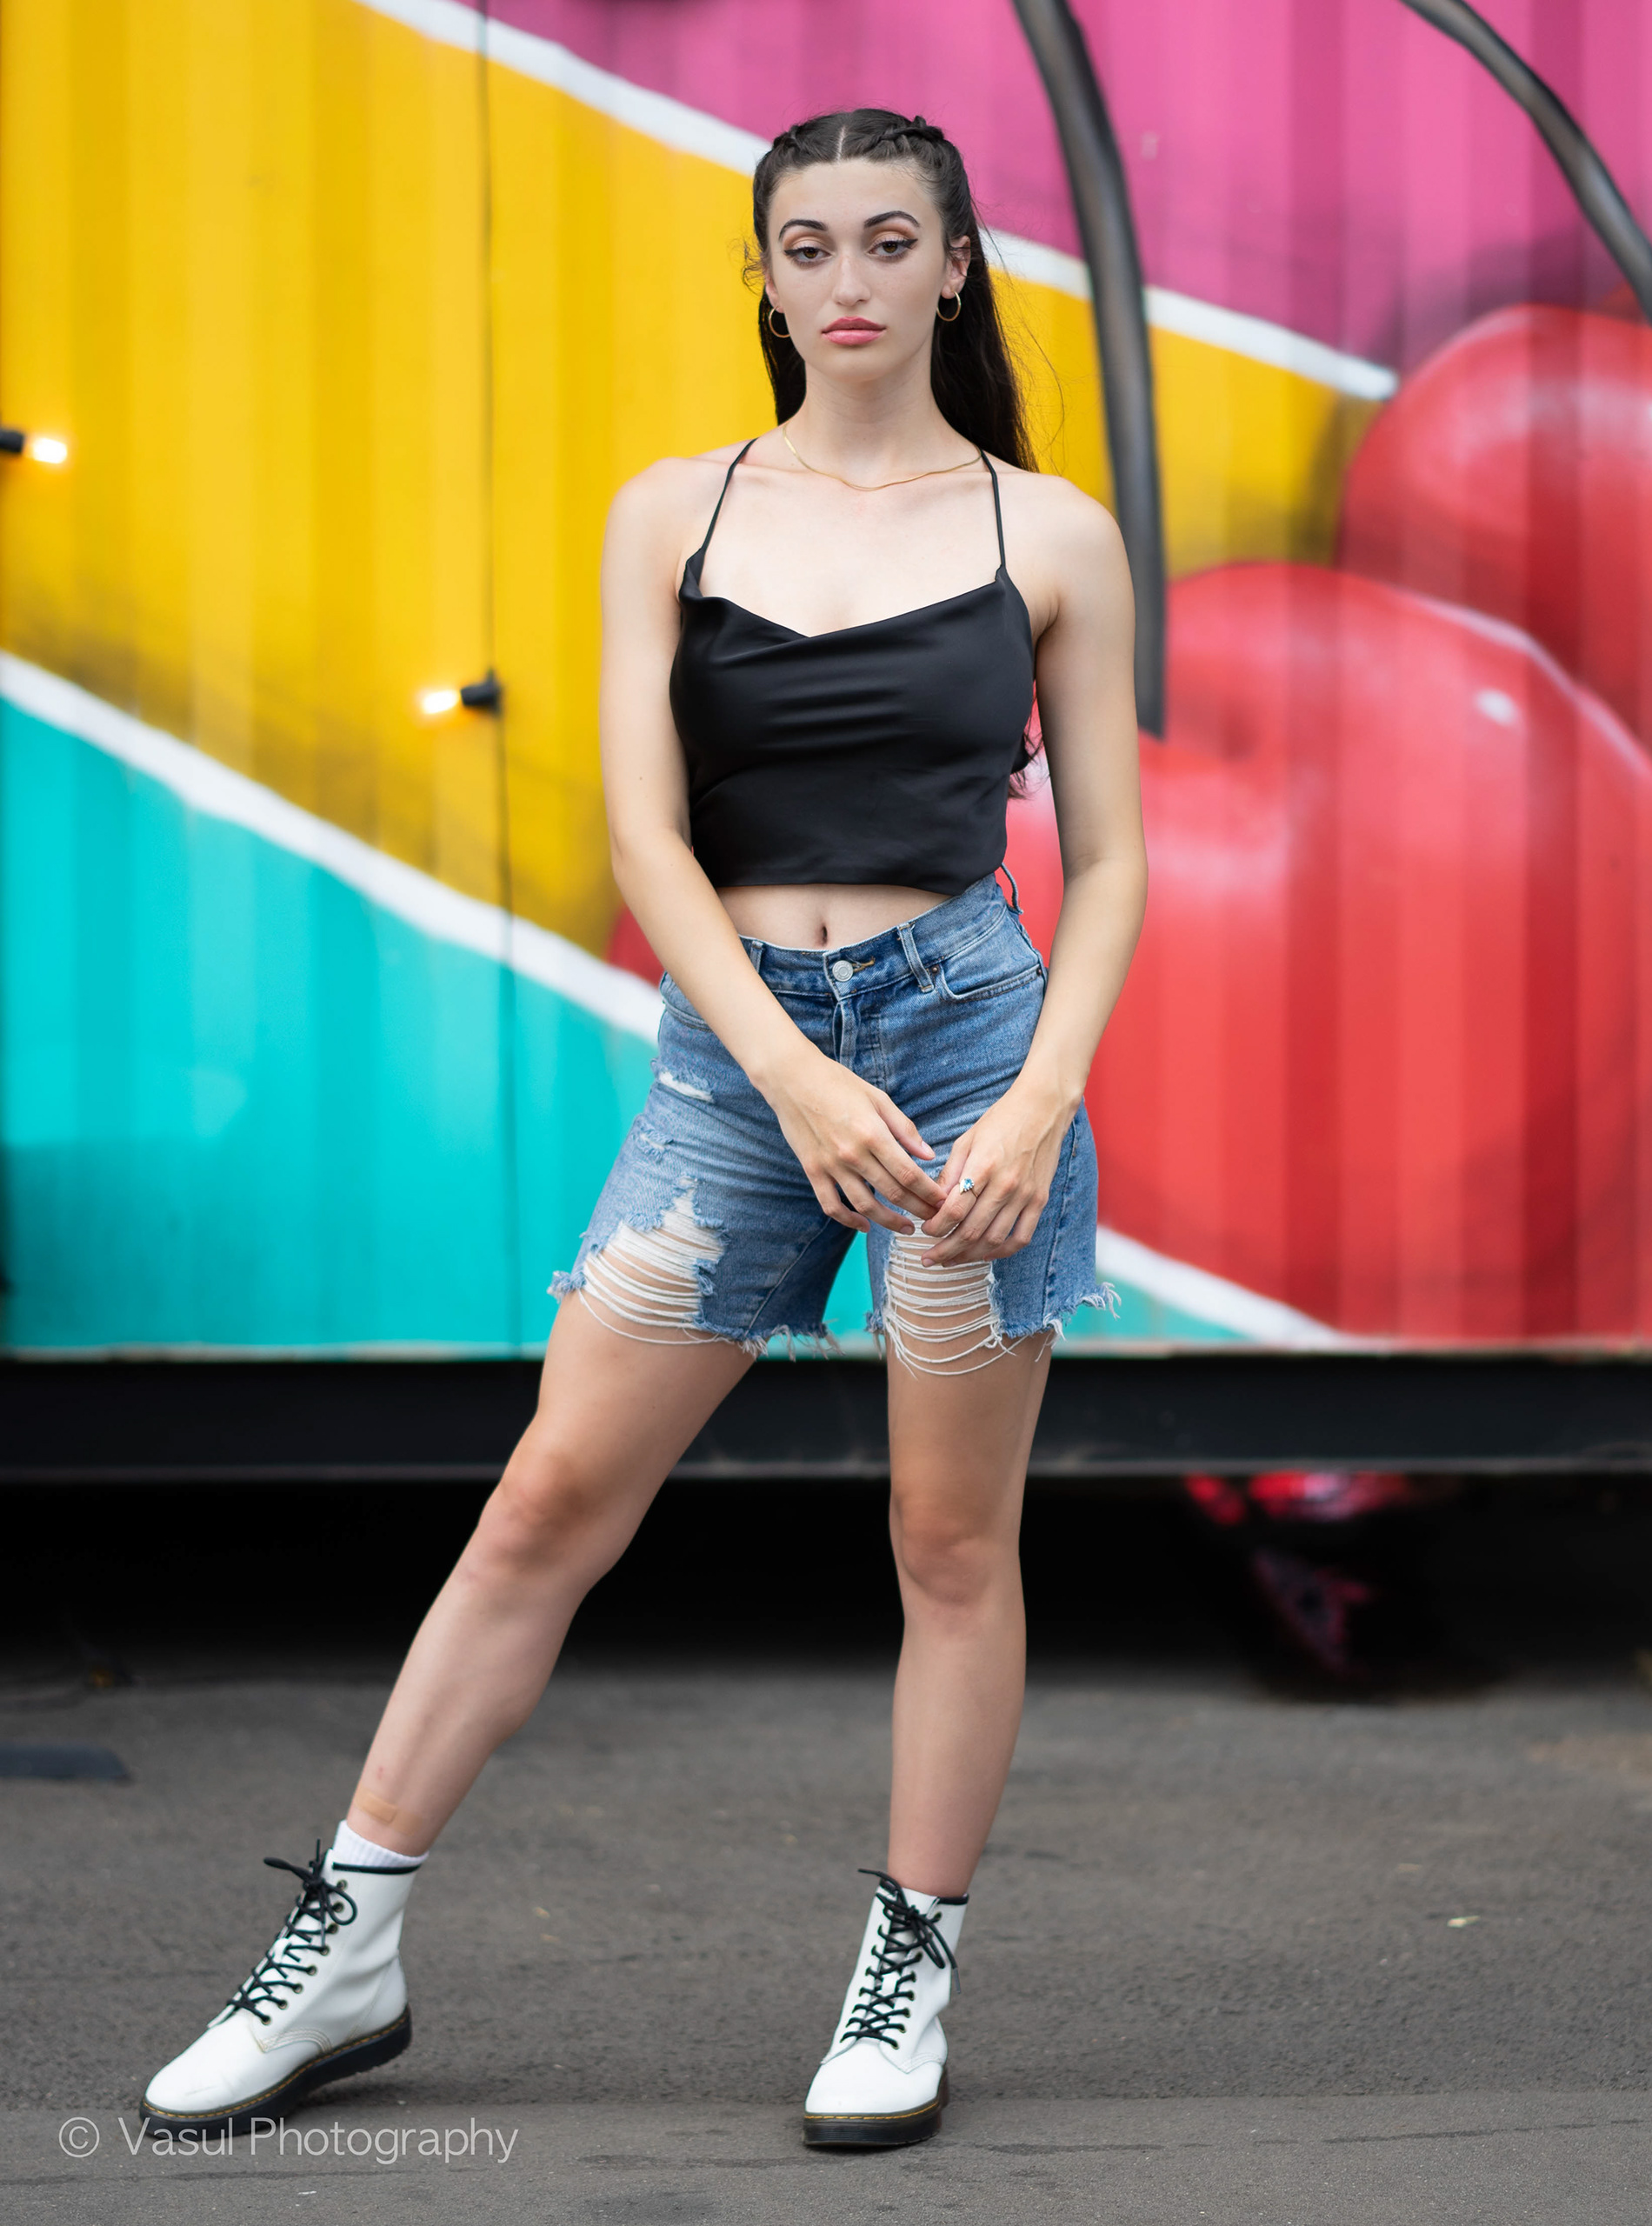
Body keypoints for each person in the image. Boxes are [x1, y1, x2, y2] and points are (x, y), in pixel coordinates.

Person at [141, 107, 1145, 2151]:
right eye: (808, 244)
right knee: (545, 1503)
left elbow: (1115, 860)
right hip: (741, 1064)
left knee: (950, 1544)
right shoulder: (675, 510)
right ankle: (344, 1944)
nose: (848, 279)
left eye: (890, 241)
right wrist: (790, 1071)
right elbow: (644, 835)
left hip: (972, 1058)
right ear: (761, 274)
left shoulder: (1047, 533)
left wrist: (1048, 1095)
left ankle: (906, 1972)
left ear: (957, 266)